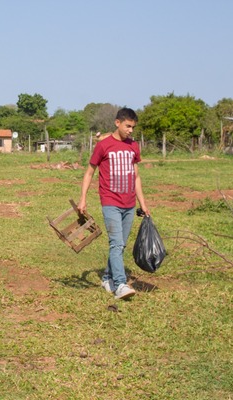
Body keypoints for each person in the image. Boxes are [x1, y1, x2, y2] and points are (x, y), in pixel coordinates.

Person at [78, 107, 149, 300]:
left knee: (121, 245)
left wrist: (142, 203)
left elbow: (136, 176)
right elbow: (89, 172)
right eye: (128, 126)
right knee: (116, 243)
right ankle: (120, 284)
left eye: (133, 127)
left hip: (129, 204)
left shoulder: (133, 146)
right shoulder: (104, 146)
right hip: (110, 202)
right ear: (117, 123)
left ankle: (107, 277)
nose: (130, 130)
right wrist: (83, 198)